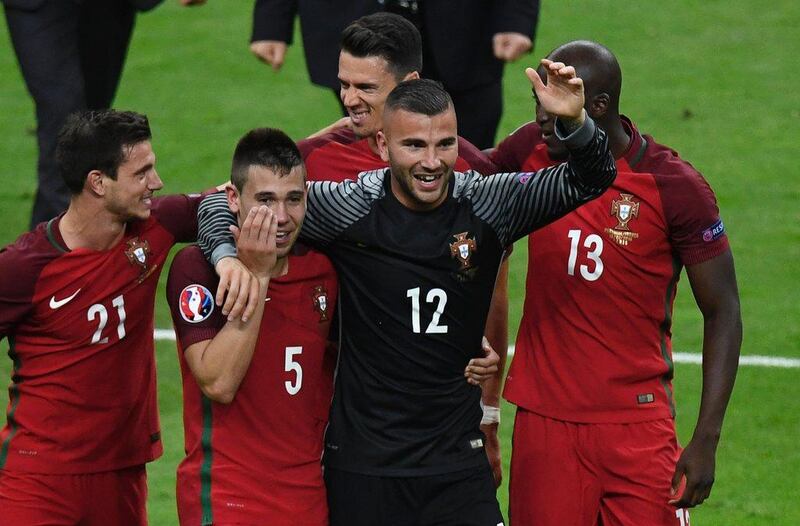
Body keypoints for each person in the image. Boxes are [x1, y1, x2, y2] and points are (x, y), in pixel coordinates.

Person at [198, 65, 617, 525]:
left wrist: (575, 125)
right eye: (414, 145)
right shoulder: (346, 206)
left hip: (456, 463)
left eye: (445, 144)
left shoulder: (489, 202)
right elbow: (222, 200)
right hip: (365, 469)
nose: (432, 162)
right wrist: (226, 258)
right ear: (382, 145)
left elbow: (591, 178)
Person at [219, 11, 509, 484]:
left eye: (366, 89)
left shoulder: (468, 172)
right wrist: (224, 254)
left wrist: (490, 417)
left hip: (439, 413)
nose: (350, 100)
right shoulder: (313, 159)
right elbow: (220, 202)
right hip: (340, 406)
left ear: (409, 82)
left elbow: (492, 298)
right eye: (344, 84)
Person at [491, 41, 742, 526]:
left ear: (597, 105)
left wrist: (706, 438)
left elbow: (724, 309)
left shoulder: (673, 186)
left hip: (639, 426)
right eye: (538, 103)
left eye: (553, 105)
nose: (542, 120)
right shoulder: (529, 151)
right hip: (546, 424)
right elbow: (453, 183)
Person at [0, 109, 253, 526]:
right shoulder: (25, 268)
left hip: (123, 473)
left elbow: (239, 193)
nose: (157, 182)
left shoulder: (153, 228)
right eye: (143, 173)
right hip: (38, 479)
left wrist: (224, 257)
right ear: (98, 182)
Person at [166, 128, 339, 525]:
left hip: (308, 498)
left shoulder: (323, 272)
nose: (281, 218)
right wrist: (258, 278)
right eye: (265, 200)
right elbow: (218, 382)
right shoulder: (198, 270)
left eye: (293, 199)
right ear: (233, 200)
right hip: (227, 497)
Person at [2, 0, 205, 229]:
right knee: (65, 116)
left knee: (91, 120)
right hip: (39, 7)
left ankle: (68, 239)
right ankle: (56, 251)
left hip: (106, 8)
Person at [250, 2, 539, 148]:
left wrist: (516, 14)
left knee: (470, 156)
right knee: (372, 150)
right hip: (357, 22)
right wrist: (271, 19)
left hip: (465, 29)